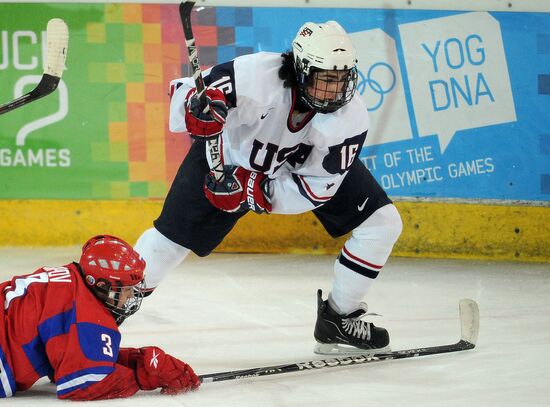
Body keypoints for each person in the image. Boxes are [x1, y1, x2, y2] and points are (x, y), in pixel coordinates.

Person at [135, 21, 402, 355]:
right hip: (226, 160)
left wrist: (258, 192)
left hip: (296, 167)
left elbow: (317, 189)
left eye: (343, 79)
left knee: (382, 223)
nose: (337, 92)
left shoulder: (349, 118)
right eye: (326, 80)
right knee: (165, 247)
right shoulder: (254, 76)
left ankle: (338, 317)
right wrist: (194, 109)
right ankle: (101, 314)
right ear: (301, 70)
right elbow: (185, 92)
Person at [0, 235, 200, 400]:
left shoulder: (71, 279)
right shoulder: (84, 315)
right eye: (126, 289)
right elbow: (84, 383)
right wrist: (143, 376)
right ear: (102, 286)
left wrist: (136, 360)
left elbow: (71, 354)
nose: (131, 295)